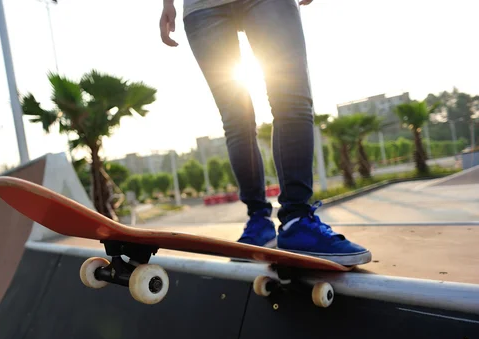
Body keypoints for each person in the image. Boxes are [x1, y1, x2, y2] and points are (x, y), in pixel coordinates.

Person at [159, 0, 371, 266]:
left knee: (290, 98)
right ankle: (259, 221)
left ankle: (296, 219)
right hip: (202, 6)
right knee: (236, 117)